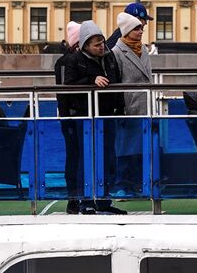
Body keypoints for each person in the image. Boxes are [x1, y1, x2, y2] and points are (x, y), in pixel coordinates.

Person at [58, 21, 125, 214]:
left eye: (102, 42)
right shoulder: (74, 60)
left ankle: (104, 199)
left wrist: (119, 110)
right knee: (84, 159)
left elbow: (117, 83)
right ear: (85, 45)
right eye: (96, 44)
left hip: (106, 115)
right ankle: (84, 200)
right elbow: (68, 87)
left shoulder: (109, 58)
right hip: (83, 117)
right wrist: (90, 80)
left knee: (108, 158)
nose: (101, 46)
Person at [112, 12, 152, 195]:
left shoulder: (143, 49)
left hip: (145, 105)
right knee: (125, 148)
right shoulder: (117, 52)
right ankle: (122, 185)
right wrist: (121, 107)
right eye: (137, 28)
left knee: (141, 148)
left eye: (141, 28)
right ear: (127, 31)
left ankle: (139, 184)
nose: (141, 31)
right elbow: (116, 82)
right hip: (129, 106)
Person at [54, 22, 84, 212]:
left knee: (75, 156)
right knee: (75, 156)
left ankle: (76, 196)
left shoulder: (64, 62)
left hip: (72, 117)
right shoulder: (66, 62)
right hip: (72, 117)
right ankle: (74, 196)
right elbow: (65, 91)